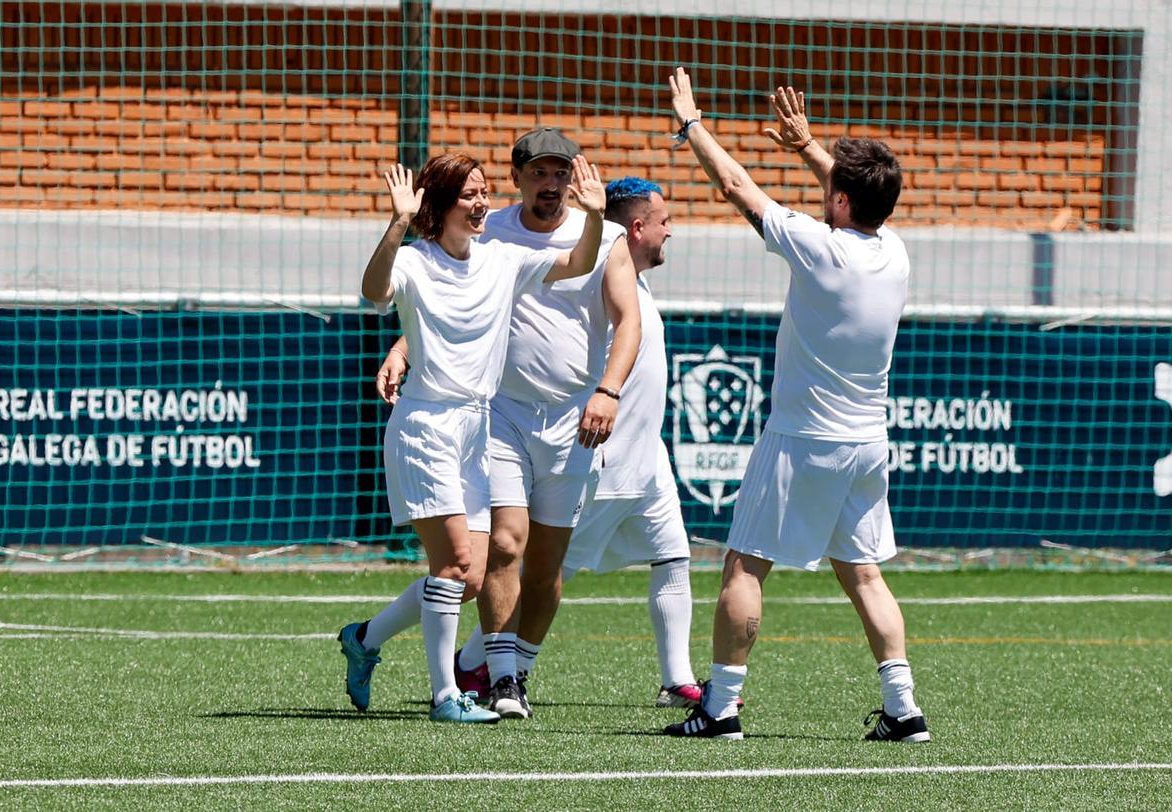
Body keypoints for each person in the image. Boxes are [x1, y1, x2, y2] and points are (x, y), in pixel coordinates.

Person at [661, 68, 929, 743]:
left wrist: (693, 125)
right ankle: (904, 709)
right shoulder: (893, 251)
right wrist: (810, 145)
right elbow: (852, 196)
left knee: (743, 564)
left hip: (802, 439)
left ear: (838, 199)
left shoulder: (818, 249)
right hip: (867, 442)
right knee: (864, 573)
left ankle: (720, 706)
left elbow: (738, 187)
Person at [339, 151, 609, 724]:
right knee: (455, 562)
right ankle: (445, 697)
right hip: (426, 425)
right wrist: (396, 222)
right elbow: (372, 291)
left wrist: (592, 216)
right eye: (469, 194)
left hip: (476, 428)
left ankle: (364, 639)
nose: (482, 202)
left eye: (485, 191)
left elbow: (579, 263)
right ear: (439, 206)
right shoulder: (415, 260)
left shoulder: (501, 259)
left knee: (470, 579)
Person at [546, 176, 701, 708]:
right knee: (545, 575)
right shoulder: (602, 281)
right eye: (664, 221)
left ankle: (676, 680)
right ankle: (476, 662)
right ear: (637, 228)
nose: (671, 232)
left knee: (674, 559)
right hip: (603, 463)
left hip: (648, 463)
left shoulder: (637, 278)